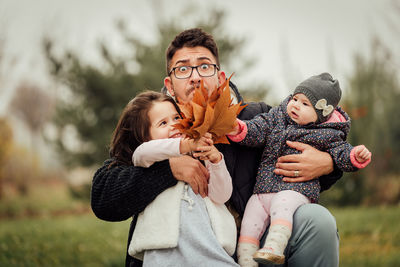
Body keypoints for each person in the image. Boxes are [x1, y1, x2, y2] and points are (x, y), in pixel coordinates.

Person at [91, 28, 343, 267]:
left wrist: (328, 164)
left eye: (204, 66)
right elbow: (104, 195)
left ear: (220, 77)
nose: (195, 76)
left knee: (316, 221)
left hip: (254, 241)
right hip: (179, 252)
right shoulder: (156, 128)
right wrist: (168, 170)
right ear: (169, 85)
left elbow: (321, 135)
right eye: (183, 69)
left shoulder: (261, 118)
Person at [227, 73, 371, 266]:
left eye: (305, 104)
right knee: (250, 220)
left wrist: (354, 156)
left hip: (295, 190)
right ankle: (246, 259)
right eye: (295, 99)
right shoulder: (277, 117)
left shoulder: (328, 134)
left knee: (282, 206)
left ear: (322, 115)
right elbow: (258, 129)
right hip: (262, 191)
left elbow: (341, 153)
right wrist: (240, 129)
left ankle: (274, 246)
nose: (295, 105)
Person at [110, 90, 238, 266]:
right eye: (163, 123)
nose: (174, 125)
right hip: (165, 255)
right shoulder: (146, 159)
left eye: (177, 118)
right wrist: (186, 144)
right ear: (144, 137)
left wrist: (216, 162)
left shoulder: (199, 157)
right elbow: (145, 151)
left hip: (210, 253)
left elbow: (221, 195)